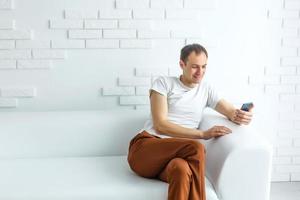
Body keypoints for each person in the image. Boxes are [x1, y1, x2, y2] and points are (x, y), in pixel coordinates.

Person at [127, 43, 253, 200]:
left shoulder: (206, 90)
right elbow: (160, 125)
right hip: (146, 150)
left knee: (181, 170)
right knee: (195, 146)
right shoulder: (164, 83)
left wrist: (241, 115)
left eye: (204, 67)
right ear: (182, 64)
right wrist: (202, 134)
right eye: (195, 67)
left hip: (172, 161)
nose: (200, 72)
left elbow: (231, 112)